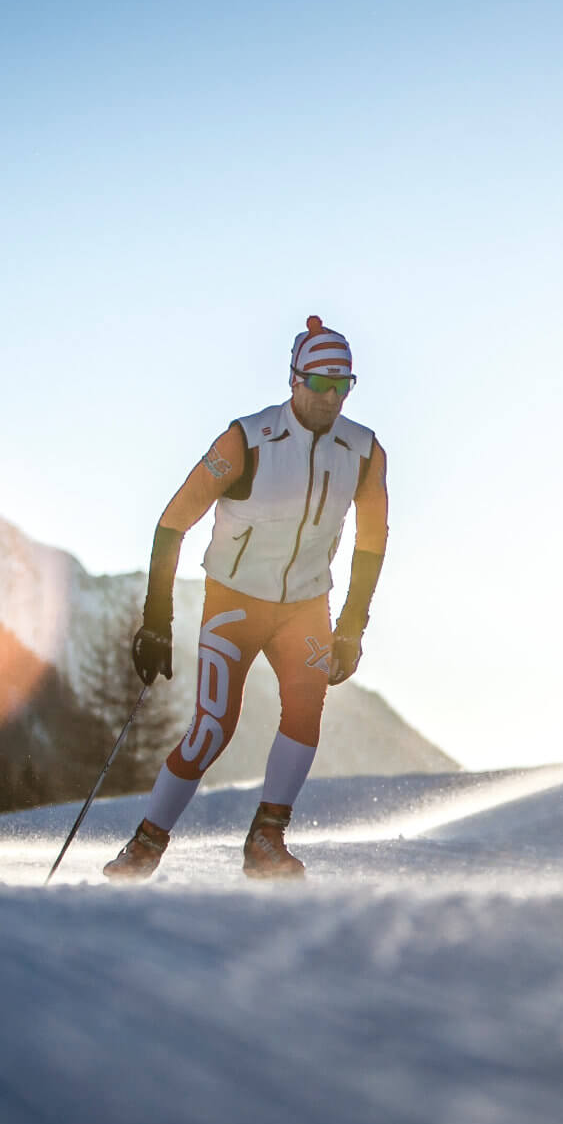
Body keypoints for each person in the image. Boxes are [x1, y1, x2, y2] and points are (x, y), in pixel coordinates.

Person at [102, 315, 388, 881]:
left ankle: (266, 840)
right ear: (294, 380)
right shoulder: (246, 440)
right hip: (234, 600)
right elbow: (172, 523)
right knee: (213, 725)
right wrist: (156, 619)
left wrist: (353, 625)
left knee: (306, 714)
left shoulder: (363, 450)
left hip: (305, 605)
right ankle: (145, 845)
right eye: (320, 384)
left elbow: (372, 543)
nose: (331, 398)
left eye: (343, 386)